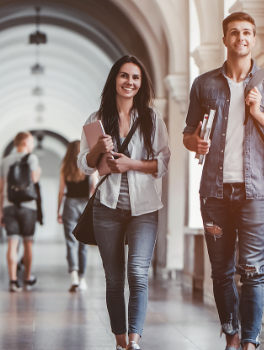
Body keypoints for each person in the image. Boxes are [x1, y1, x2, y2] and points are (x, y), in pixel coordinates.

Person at [182, 12, 264, 350]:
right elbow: (187, 135)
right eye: (234, 32)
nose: (241, 38)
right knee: (221, 272)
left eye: (247, 32)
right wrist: (196, 143)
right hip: (214, 194)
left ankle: (250, 341)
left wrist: (260, 114)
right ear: (225, 39)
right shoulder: (204, 84)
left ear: (254, 39)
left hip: (256, 193)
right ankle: (232, 335)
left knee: (252, 271)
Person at [77, 55, 170, 350]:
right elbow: (85, 165)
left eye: (135, 77)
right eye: (124, 76)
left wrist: (131, 164)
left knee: (138, 273)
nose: (129, 82)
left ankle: (134, 340)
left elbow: (163, 163)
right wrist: (98, 151)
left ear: (141, 84)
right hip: (107, 207)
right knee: (115, 279)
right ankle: (120, 342)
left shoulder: (152, 118)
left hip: (144, 207)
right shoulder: (96, 119)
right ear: (114, 80)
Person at [0, 132, 41, 292]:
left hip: (9, 206)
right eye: (31, 141)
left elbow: (0, 188)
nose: (32, 145)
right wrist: (39, 171)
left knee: (12, 244)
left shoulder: (4, 161)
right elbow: (34, 180)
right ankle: (28, 278)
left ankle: (13, 281)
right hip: (28, 206)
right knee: (28, 243)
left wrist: (1, 212)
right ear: (24, 142)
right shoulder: (32, 158)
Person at [57, 140, 96, 292]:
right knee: (83, 244)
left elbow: (61, 191)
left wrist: (58, 211)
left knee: (70, 242)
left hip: (69, 206)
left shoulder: (64, 166)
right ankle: (82, 278)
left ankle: (73, 275)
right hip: (85, 205)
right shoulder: (89, 166)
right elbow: (95, 186)